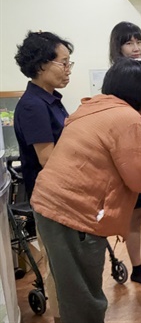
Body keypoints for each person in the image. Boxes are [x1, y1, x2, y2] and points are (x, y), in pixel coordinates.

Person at [30, 58, 141, 323]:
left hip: (51, 208)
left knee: (72, 291)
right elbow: (138, 178)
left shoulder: (93, 106)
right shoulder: (127, 118)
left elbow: (128, 162)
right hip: (73, 216)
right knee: (84, 299)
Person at [14, 30, 74, 323]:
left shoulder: (50, 100)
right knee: (58, 266)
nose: (68, 69)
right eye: (63, 63)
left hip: (63, 194)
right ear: (40, 65)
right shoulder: (33, 105)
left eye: (69, 63)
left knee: (67, 264)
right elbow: (48, 158)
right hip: (50, 196)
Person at [108, 21, 141, 286]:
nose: (136, 47)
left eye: (138, 41)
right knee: (136, 214)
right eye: (129, 42)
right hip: (129, 153)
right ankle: (137, 266)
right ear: (118, 47)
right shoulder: (118, 76)